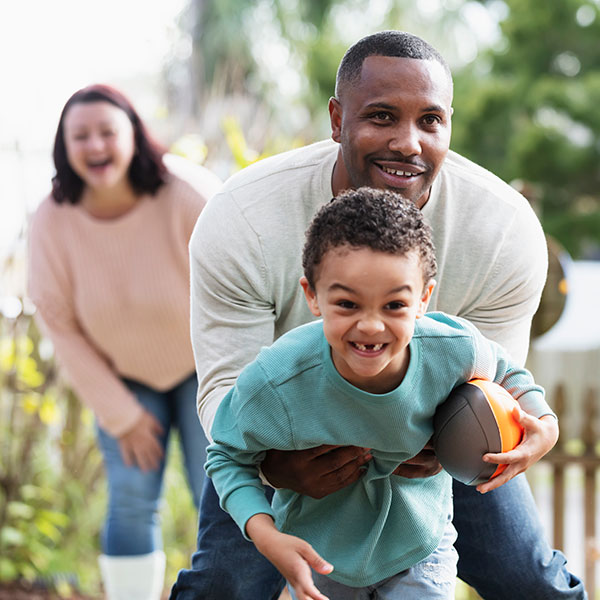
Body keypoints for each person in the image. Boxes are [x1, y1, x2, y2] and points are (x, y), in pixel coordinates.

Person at [171, 31, 586, 600]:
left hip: (430, 439)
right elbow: (226, 395)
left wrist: (532, 429)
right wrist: (275, 468)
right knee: (223, 584)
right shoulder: (243, 219)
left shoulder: (504, 232)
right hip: (294, 444)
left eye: (430, 120)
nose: (407, 143)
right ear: (337, 119)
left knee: (531, 581)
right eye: (382, 116)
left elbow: (496, 382)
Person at [205, 188, 558, 600]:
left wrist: (545, 428)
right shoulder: (277, 381)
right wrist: (265, 534)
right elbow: (227, 455)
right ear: (312, 296)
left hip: (420, 546)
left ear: (423, 298)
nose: (371, 326)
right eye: (347, 304)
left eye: (393, 305)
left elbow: (508, 371)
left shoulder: (454, 349)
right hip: (322, 553)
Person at [27, 84, 222, 600]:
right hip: (124, 379)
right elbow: (58, 322)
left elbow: (243, 273)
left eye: (107, 132)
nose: (95, 147)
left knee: (220, 492)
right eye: (81, 136)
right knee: (132, 500)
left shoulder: (184, 191)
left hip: (208, 367)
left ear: (133, 135)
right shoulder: (51, 220)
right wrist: (122, 414)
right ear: (64, 147)